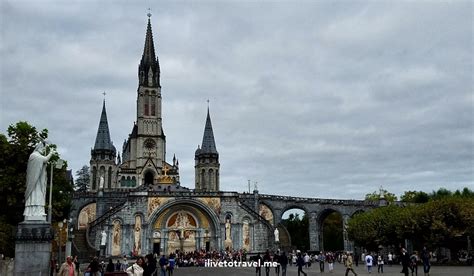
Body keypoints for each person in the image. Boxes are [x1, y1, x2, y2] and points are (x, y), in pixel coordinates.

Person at [23, 140, 55, 221]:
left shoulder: (36, 156)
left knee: (39, 196)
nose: (43, 150)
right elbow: (45, 159)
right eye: (43, 149)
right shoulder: (34, 156)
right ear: (38, 148)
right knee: (36, 195)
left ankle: (39, 211)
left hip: (38, 181)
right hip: (34, 182)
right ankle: (31, 212)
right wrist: (51, 152)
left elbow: (43, 161)